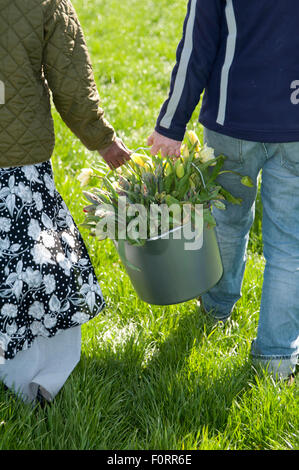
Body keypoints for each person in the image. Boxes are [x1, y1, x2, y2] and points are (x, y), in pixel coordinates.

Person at [148, 0, 299, 381]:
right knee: (290, 246)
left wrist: (170, 124)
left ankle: (216, 307)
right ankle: (276, 359)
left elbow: (197, 45)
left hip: (232, 121)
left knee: (227, 223)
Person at [0, 0, 131, 406]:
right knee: (40, 271)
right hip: (18, 161)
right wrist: (103, 140)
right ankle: (36, 379)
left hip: (18, 151)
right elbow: (70, 78)